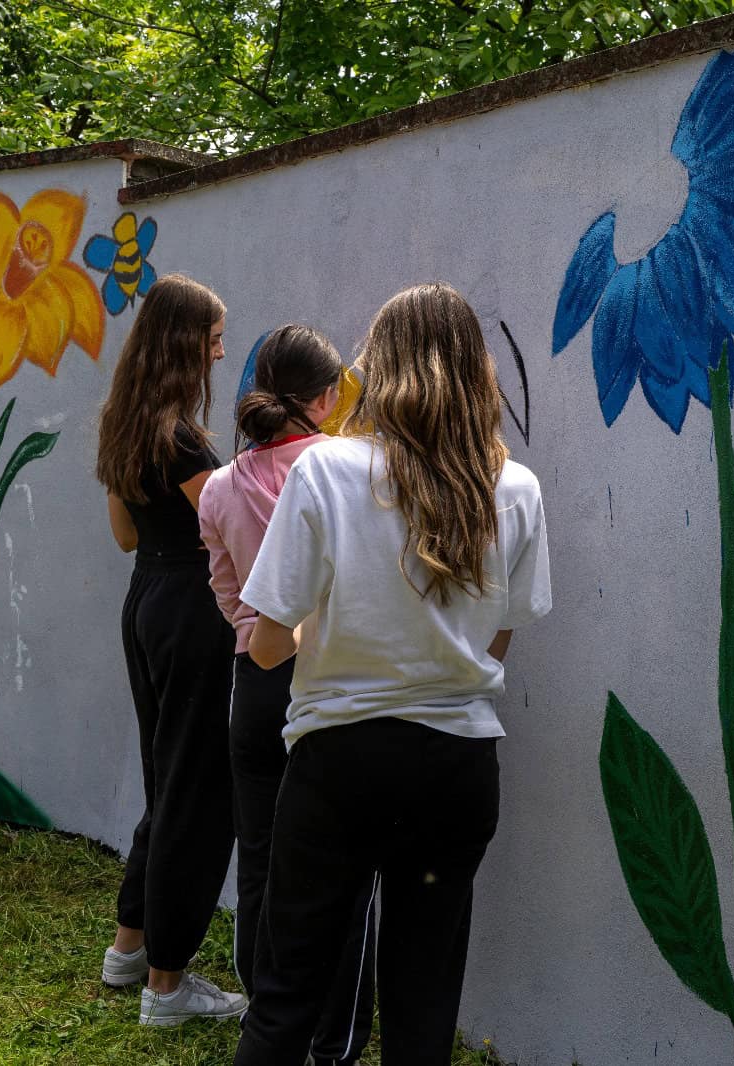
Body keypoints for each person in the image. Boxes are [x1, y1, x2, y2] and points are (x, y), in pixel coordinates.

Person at [233, 284, 552, 1065]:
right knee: (424, 1005)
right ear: (476, 372)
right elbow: (500, 637)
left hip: (341, 764)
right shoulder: (516, 487)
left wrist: (335, 632)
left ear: (378, 367)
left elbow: (266, 645)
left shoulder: (328, 471)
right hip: (458, 767)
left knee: (286, 999)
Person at [198, 324, 377, 1066]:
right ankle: (332, 1039)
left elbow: (225, 592)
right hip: (330, 685)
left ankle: (266, 1018)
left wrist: (254, 630)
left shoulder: (217, 485)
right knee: (343, 866)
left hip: (255, 684)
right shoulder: (349, 469)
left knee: (264, 856)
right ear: (330, 397)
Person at [94, 273, 247, 1027]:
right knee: (198, 792)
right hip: (192, 609)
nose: (221, 353)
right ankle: (168, 985)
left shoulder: (124, 422)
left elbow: (125, 535)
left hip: (145, 601)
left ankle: (129, 949)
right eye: (214, 339)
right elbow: (229, 525)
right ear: (186, 343)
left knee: (167, 780)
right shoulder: (181, 439)